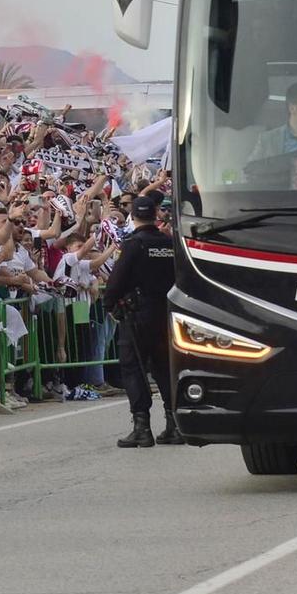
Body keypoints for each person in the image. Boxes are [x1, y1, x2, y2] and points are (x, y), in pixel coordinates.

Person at [105, 190, 178, 447]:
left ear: (133, 216)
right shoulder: (169, 243)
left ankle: (142, 427)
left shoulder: (135, 244)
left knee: (133, 368)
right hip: (165, 313)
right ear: (156, 215)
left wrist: (110, 304)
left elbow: (116, 280)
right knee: (164, 368)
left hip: (136, 315)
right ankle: (174, 424)